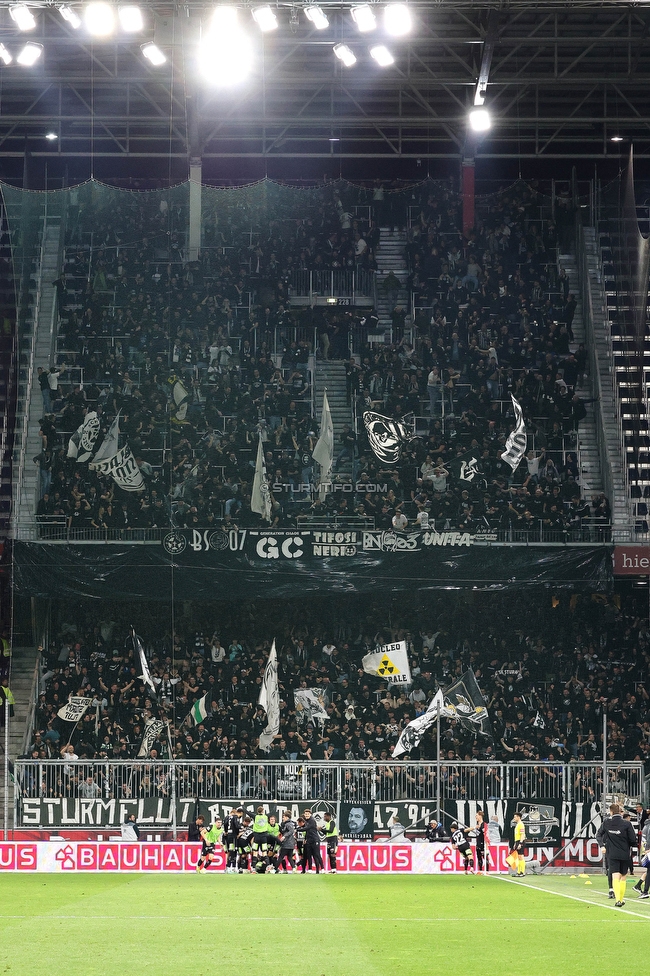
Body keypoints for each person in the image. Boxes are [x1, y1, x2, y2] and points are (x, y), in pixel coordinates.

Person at [597, 803, 636, 906]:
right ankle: (621, 899)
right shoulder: (627, 824)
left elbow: (599, 835)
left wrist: (602, 846)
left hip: (612, 853)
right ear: (620, 812)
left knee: (615, 876)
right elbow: (633, 839)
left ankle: (617, 900)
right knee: (623, 876)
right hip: (624, 853)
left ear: (611, 812)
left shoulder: (606, 822)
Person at [301, 808, 323, 874]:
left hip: (315, 840)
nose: (307, 815)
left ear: (310, 814)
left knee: (316, 855)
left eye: (308, 814)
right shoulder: (306, 821)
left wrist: (298, 829)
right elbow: (307, 831)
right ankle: (310, 869)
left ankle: (321, 869)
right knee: (309, 855)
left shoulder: (312, 821)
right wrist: (305, 839)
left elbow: (307, 828)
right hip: (309, 840)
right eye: (306, 814)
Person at [222, 806, 243, 873]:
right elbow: (237, 826)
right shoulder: (235, 817)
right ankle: (231, 867)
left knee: (229, 852)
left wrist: (225, 831)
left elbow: (225, 824)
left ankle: (229, 867)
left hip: (227, 837)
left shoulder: (226, 817)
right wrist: (241, 828)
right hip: (233, 836)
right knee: (233, 852)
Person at [508, 812, 526, 877]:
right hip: (517, 841)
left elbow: (522, 834)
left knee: (521, 856)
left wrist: (520, 843)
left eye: (515, 817)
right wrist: (516, 843)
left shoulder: (521, 824)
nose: (514, 818)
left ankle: (522, 872)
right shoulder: (518, 824)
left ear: (518, 817)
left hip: (520, 841)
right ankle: (519, 872)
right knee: (518, 857)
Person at [251, 805, 269, 871]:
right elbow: (273, 811)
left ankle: (253, 868)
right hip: (264, 837)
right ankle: (267, 867)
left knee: (255, 852)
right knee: (264, 852)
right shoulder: (266, 817)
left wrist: (242, 805)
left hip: (256, 837)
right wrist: (275, 804)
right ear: (263, 811)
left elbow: (247, 812)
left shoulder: (255, 817)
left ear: (257, 811)